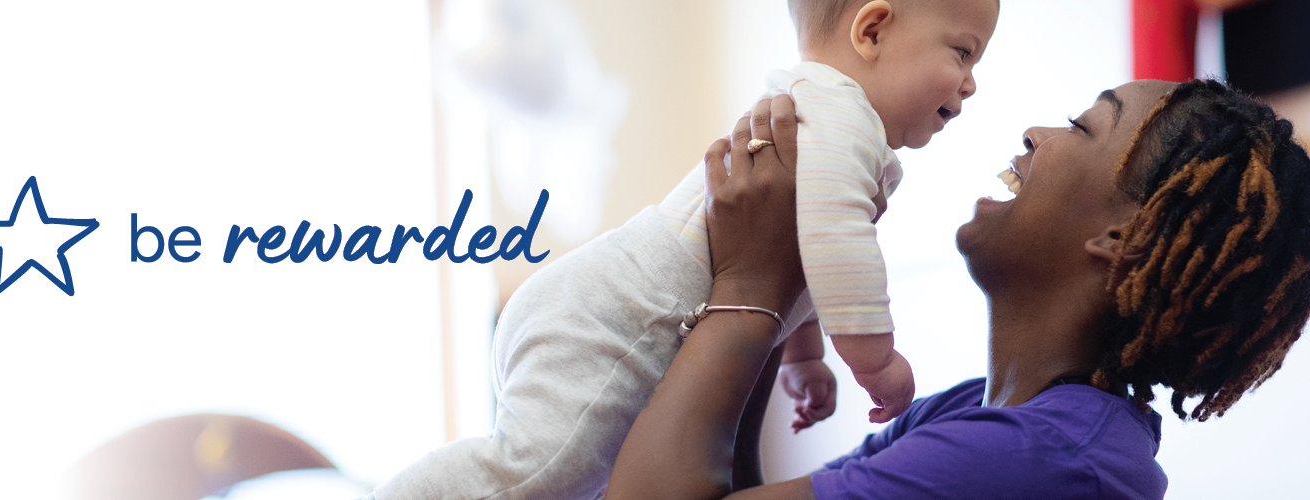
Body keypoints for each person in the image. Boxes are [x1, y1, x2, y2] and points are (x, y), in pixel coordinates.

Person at [368, 0, 998, 498]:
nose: (970, 84)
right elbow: (840, 250)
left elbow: (805, 260)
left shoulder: (824, 116)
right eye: (963, 52)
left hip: (605, 307)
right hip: (614, 320)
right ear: (872, 30)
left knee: (578, 482)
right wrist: (876, 361)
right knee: (535, 475)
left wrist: (801, 357)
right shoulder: (844, 120)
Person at [605, 78, 1310, 499]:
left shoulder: (1034, 460)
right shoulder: (988, 415)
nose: (1036, 133)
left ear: (1124, 240)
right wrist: (786, 292)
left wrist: (753, 283)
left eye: (1079, 127)